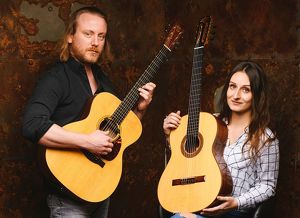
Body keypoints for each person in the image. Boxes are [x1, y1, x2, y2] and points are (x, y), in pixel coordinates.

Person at [22, 6, 156, 218]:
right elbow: (32, 125)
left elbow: (119, 134)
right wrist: (86, 141)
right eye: (88, 34)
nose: (95, 42)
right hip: (67, 199)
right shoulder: (56, 78)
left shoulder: (104, 81)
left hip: (100, 191)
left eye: (101, 36)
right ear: (69, 36)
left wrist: (139, 111)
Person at [162, 61, 279, 218]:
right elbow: (185, 159)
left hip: (233, 212)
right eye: (232, 86)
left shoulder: (265, 138)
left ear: (257, 95)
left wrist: (237, 202)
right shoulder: (207, 122)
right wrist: (170, 136)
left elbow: (267, 186)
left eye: (245, 90)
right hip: (194, 201)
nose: (236, 95)